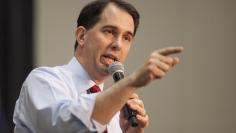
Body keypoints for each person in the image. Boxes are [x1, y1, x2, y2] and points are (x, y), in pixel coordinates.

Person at [13, 0, 183, 133]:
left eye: (126, 37)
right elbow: (67, 127)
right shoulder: (43, 81)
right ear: (81, 36)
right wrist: (131, 82)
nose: (118, 44)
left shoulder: (118, 114)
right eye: (109, 31)